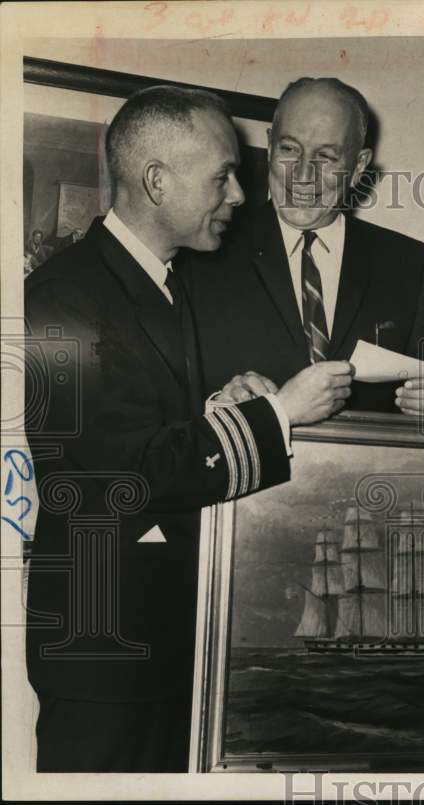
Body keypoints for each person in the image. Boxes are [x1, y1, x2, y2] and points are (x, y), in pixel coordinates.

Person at [24, 85, 352, 772]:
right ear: (155, 181)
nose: (237, 195)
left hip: (160, 638)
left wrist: (216, 406)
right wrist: (280, 414)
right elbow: (119, 471)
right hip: (105, 652)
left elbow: (142, 419)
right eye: (221, 176)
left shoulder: (157, 286)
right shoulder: (62, 300)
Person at [181, 77, 424, 416]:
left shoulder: (408, 264)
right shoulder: (203, 252)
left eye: (325, 156)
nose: (303, 175)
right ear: (269, 146)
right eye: (290, 149)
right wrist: (221, 403)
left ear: (359, 167)